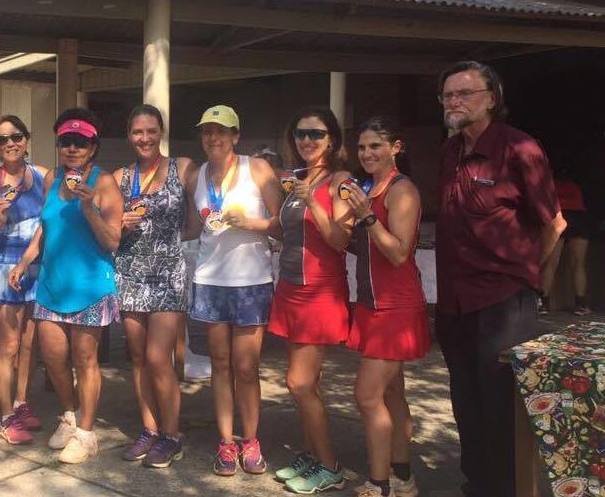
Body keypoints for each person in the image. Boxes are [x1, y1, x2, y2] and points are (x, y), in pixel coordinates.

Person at [435, 61, 565, 497]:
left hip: (503, 301)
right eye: (448, 95)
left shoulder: (519, 149)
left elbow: (554, 224)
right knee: (466, 402)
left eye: (464, 93)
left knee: (501, 406)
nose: (454, 101)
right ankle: (478, 485)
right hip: (454, 301)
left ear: (492, 99)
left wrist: (530, 280)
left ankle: (509, 489)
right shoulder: (450, 151)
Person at [9, 108, 123, 465]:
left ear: (93, 147)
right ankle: (70, 415)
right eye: (66, 142)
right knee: (54, 357)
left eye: (80, 142)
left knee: (84, 359)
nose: (72, 148)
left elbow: (113, 241)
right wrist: (25, 260)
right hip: (51, 284)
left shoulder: (104, 183)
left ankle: (87, 434)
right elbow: (46, 226)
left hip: (89, 286)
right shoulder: (52, 178)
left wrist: (89, 208)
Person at [182, 105, 281, 477]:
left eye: (221, 131)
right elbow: (194, 228)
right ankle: (226, 441)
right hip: (210, 281)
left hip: (251, 282)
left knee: (247, 367)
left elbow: (282, 224)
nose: (214, 138)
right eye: (207, 131)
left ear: (235, 136)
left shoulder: (257, 169)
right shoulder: (197, 176)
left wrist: (251, 223)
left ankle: (251, 440)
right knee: (220, 365)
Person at [268, 106, 353, 493]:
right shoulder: (296, 177)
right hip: (289, 286)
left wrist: (313, 201)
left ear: (331, 140)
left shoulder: (340, 180)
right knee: (306, 384)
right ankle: (312, 455)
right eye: (301, 133)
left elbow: (340, 239)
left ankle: (331, 468)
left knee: (299, 383)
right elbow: (284, 230)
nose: (307, 140)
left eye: (316, 134)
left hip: (319, 290)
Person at [341, 117, 428, 497]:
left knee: (367, 395)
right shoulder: (368, 188)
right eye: (362, 147)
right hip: (371, 303)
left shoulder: (401, 189)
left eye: (375, 145)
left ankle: (379, 485)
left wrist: (366, 216)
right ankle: (403, 477)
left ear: (396, 148)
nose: (367, 153)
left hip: (395, 307)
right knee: (392, 394)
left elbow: (398, 253)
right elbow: (365, 247)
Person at [112, 104, 195, 468]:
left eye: (150, 131)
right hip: (130, 272)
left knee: (159, 357)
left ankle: (171, 435)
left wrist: (171, 245)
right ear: (129, 136)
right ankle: (149, 429)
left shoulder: (183, 168)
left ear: (161, 132)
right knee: (138, 357)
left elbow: (196, 222)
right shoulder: (119, 177)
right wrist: (120, 225)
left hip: (167, 275)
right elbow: (107, 228)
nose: (144, 138)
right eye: (137, 132)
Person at [0, 115, 48, 445]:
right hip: (6, 267)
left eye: (16, 137)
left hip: (37, 265)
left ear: (26, 139)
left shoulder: (43, 175)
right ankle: (6, 416)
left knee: (31, 344)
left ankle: (22, 402)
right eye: (2, 139)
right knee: (10, 345)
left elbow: (52, 219)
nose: (10, 144)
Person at [539, 169, 592, 317]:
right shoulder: (576, 184)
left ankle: (543, 303)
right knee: (578, 263)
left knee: (551, 263)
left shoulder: (550, 184)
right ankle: (581, 305)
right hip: (579, 217)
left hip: (559, 216)